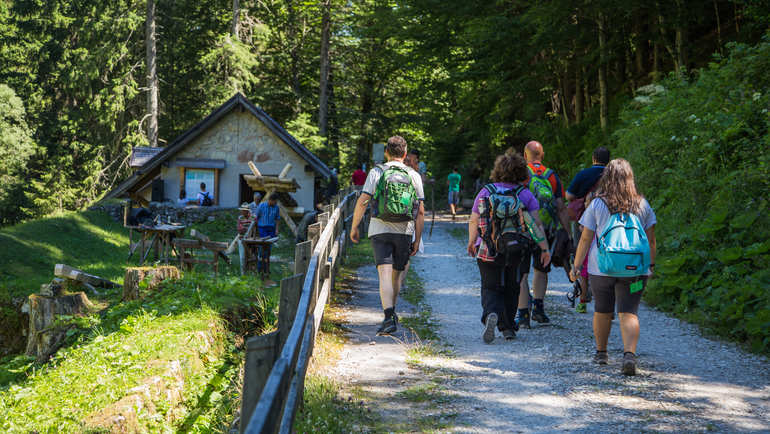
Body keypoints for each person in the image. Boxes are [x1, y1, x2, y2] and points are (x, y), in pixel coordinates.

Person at [570, 158, 656, 376]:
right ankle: (629, 355)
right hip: (635, 270)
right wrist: (651, 265)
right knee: (629, 312)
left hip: (602, 268)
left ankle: (601, 353)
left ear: (606, 178)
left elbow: (585, 238)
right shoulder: (642, 204)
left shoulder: (598, 204)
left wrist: (577, 266)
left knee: (602, 310)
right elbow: (651, 239)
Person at [468, 149, 550, 343]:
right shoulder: (525, 194)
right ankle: (508, 328)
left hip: (488, 247)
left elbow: (474, 219)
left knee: (490, 285)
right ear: (522, 172)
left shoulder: (486, 191)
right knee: (513, 285)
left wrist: (472, 241)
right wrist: (544, 248)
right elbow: (536, 224)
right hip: (516, 248)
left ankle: (491, 314)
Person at [350, 136, 425, 335]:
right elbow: (421, 211)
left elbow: (363, 200)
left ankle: (388, 316)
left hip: (379, 229)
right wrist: (417, 239)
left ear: (386, 152)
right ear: (405, 153)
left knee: (384, 274)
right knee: (397, 274)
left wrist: (354, 227)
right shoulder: (413, 175)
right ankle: (392, 312)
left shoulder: (377, 171)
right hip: (404, 230)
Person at [516, 141, 572, 328]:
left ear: (525, 155)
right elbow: (561, 206)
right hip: (545, 229)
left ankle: (523, 314)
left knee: (522, 272)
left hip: (524, 228)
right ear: (543, 154)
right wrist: (567, 232)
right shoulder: (551, 175)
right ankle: (539, 309)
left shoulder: (520, 174)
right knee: (541, 268)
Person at [566, 146, 610, 313]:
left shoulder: (583, 174)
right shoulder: (614, 176)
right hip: (607, 221)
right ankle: (607, 303)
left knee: (582, 257)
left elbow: (569, 195)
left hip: (583, 220)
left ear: (593, 159)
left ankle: (583, 300)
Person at [255, 194, 281, 283]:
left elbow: (277, 219)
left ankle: (266, 269)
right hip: (262, 228)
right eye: (274, 201)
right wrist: (256, 230)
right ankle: (260, 268)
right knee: (262, 249)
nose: (275, 203)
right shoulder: (262, 205)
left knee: (269, 250)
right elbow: (256, 217)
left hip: (271, 229)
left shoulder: (276, 207)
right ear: (270, 200)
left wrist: (277, 230)